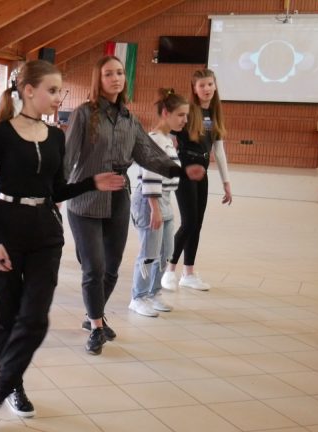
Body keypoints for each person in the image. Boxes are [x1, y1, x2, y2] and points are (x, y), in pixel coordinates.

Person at [0, 60, 126, 425]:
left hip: (46, 234)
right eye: (53, 91)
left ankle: (1, 387)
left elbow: (56, 191)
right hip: (6, 231)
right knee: (6, 318)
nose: (59, 98)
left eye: (61, 91)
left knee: (35, 317)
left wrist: (91, 183)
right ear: (28, 91)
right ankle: (12, 385)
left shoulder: (56, 136)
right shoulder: (0, 133)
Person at [64, 56, 205, 355]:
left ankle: (93, 316)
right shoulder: (84, 114)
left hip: (118, 198)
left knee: (112, 268)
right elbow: (67, 159)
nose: (116, 78)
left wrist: (182, 171)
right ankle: (97, 327)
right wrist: (54, 195)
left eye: (119, 73)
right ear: (98, 79)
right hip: (85, 198)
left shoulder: (129, 119)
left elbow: (150, 155)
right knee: (94, 267)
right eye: (108, 74)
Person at [162, 69, 232, 291]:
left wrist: (226, 182)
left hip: (203, 173)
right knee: (189, 221)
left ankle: (188, 273)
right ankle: (169, 269)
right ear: (194, 88)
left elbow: (218, 150)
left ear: (215, 85)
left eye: (210, 84)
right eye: (201, 85)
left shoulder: (215, 113)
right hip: (185, 171)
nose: (206, 89)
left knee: (197, 224)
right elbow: (168, 138)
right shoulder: (187, 111)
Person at [128, 88, 187, 317]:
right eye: (180, 115)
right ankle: (138, 297)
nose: (184, 120)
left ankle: (153, 293)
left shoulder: (168, 140)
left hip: (165, 200)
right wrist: (154, 208)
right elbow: (150, 175)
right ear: (165, 113)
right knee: (149, 253)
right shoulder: (154, 139)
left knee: (166, 253)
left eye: (185, 115)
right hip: (149, 200)